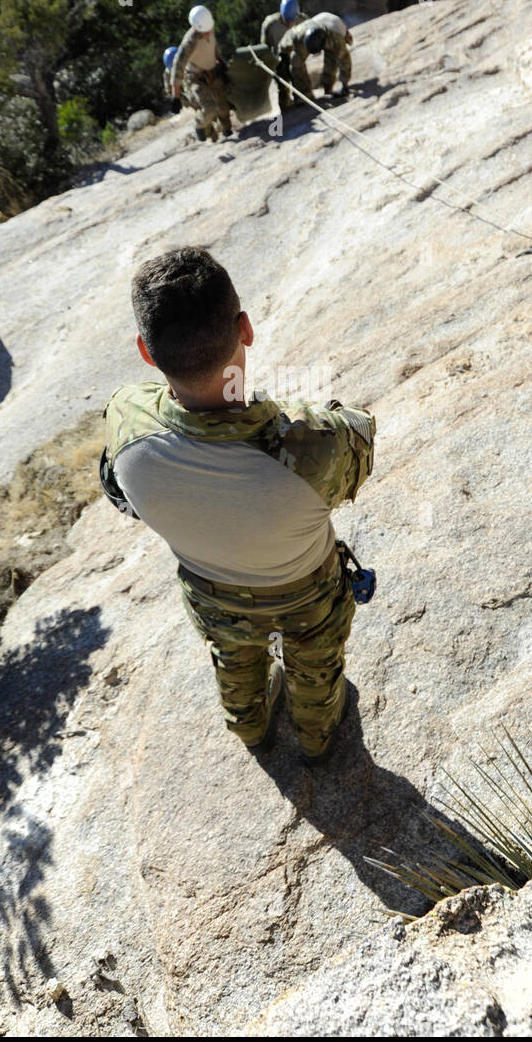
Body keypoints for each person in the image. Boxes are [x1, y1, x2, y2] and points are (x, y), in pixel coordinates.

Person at [101, 247, 376, 764]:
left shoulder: (125, 420)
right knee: (315, 668)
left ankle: (250, 730)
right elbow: (361, 434)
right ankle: (316, 743)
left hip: (211, 594)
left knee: (232, 659)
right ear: (245, 328)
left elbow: (118, 493)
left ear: (146, 350)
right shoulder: (317, 444)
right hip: (307, 598)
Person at [170, 5, 233, 141]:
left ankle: (226, 130)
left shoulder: (209, 27)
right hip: (195, 79)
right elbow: (178, 66)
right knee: (209, 108)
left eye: (210, 29)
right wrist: (175, 96)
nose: (209, 33)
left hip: (213, 72)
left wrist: (222, 63)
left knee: (223, 107)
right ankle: (200, 125)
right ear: (197, 28)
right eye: (205, 31)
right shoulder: (189, 42)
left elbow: (214, 48)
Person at [278, 11, 353, 109]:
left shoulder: (335, 38)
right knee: (295, 62)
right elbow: (283, 45)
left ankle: (328, 87)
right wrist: (283, 57)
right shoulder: (297, 33)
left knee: (332, 59)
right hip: (312, 28)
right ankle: (305, 95)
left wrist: (345, 85)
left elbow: (345, 60)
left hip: (331, 26)